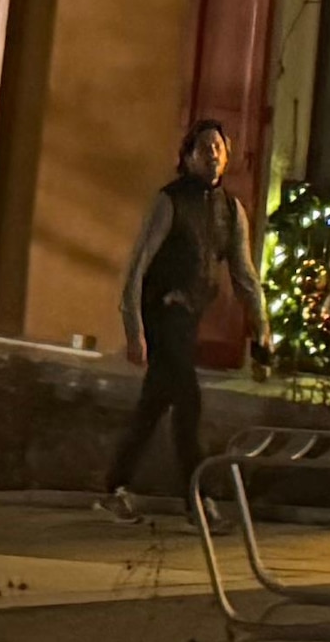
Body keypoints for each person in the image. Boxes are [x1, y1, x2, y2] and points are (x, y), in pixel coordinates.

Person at [107, 119, 260, 508]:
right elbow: (138, 266)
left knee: (154, 404)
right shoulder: (170, 201)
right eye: (204, 148)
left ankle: (115, 488)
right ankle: (198, 496)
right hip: (162, 312)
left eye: (219, 149)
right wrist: (134, 331)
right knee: (188, 400)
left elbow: (245, 275)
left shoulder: (230, 210)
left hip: (189, 317)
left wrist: (262, 330)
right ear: (188, 156)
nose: (212, 155)